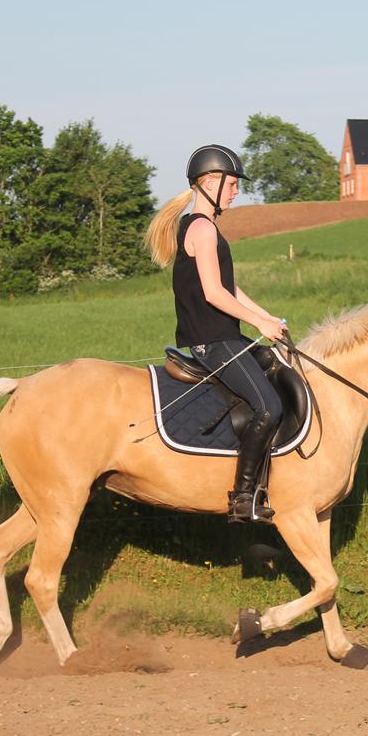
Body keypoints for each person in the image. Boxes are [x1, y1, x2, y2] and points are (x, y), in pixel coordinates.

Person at [143, 145, 287, 524]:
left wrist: (267, 317)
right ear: (208, 182)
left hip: (224, 337)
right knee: (269, 407)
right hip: (213, 342)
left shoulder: (202, 227)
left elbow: (231, 288)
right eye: (232, 184)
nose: (236, 191)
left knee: (277, 368)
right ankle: (243, 498)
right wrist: (260, 325)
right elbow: (213, 293)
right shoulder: (203, 229)